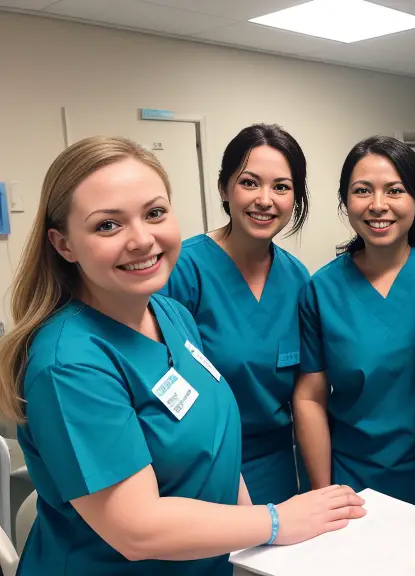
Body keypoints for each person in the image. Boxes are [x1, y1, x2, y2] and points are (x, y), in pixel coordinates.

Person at [0, 136, 364, 576]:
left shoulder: (168, 313)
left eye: (154, 213)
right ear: (64, 245)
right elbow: (138, 530)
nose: (141, 240)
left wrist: (252, 536)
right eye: (107, 226)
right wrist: (275, 521)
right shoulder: (70, 365)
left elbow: (217, 439)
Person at [294, 135, 415, 507]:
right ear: (346, 202)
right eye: (363, 191)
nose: (378, 206)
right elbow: (310, 397)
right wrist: (323, 492)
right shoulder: (322, 289)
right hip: (356, 484)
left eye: (394, 190)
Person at [163, 124, 310, 504]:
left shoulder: (298, 279)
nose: (265, 199)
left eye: (281, 186)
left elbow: (306, 391)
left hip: (277, 467)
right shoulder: (183, 270)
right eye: (249, 183)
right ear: (224, 188)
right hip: (198, 467)